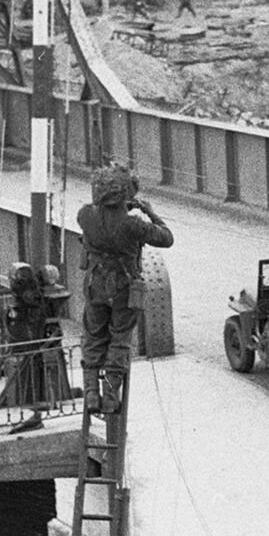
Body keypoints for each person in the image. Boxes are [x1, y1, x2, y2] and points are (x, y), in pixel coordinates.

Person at [75, 164, 173, 415]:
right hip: (124, 288)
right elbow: (167, 238)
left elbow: (102, 219)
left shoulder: (85, 215)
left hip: (95, 285)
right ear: (127, 194)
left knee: (94, 338)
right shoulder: (133, 225)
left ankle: (90, 394)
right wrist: (150, 213)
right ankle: (109, 393)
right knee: (119, 340)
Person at [5, 261, 69, 427]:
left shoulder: (38, 303)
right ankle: (34, 406)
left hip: (36, 343)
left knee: (33, 369)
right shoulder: (25, 305)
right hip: (31, 345)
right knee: (29, 369)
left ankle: (37, 405)